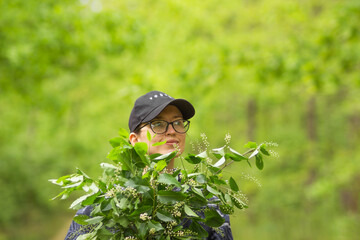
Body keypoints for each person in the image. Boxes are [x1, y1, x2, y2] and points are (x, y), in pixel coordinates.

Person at [65, 91, 233, 240]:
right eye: (158, 124)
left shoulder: (206, 202)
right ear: (134, 140)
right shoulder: (105, 206)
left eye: (178, 122)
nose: (172, 130)